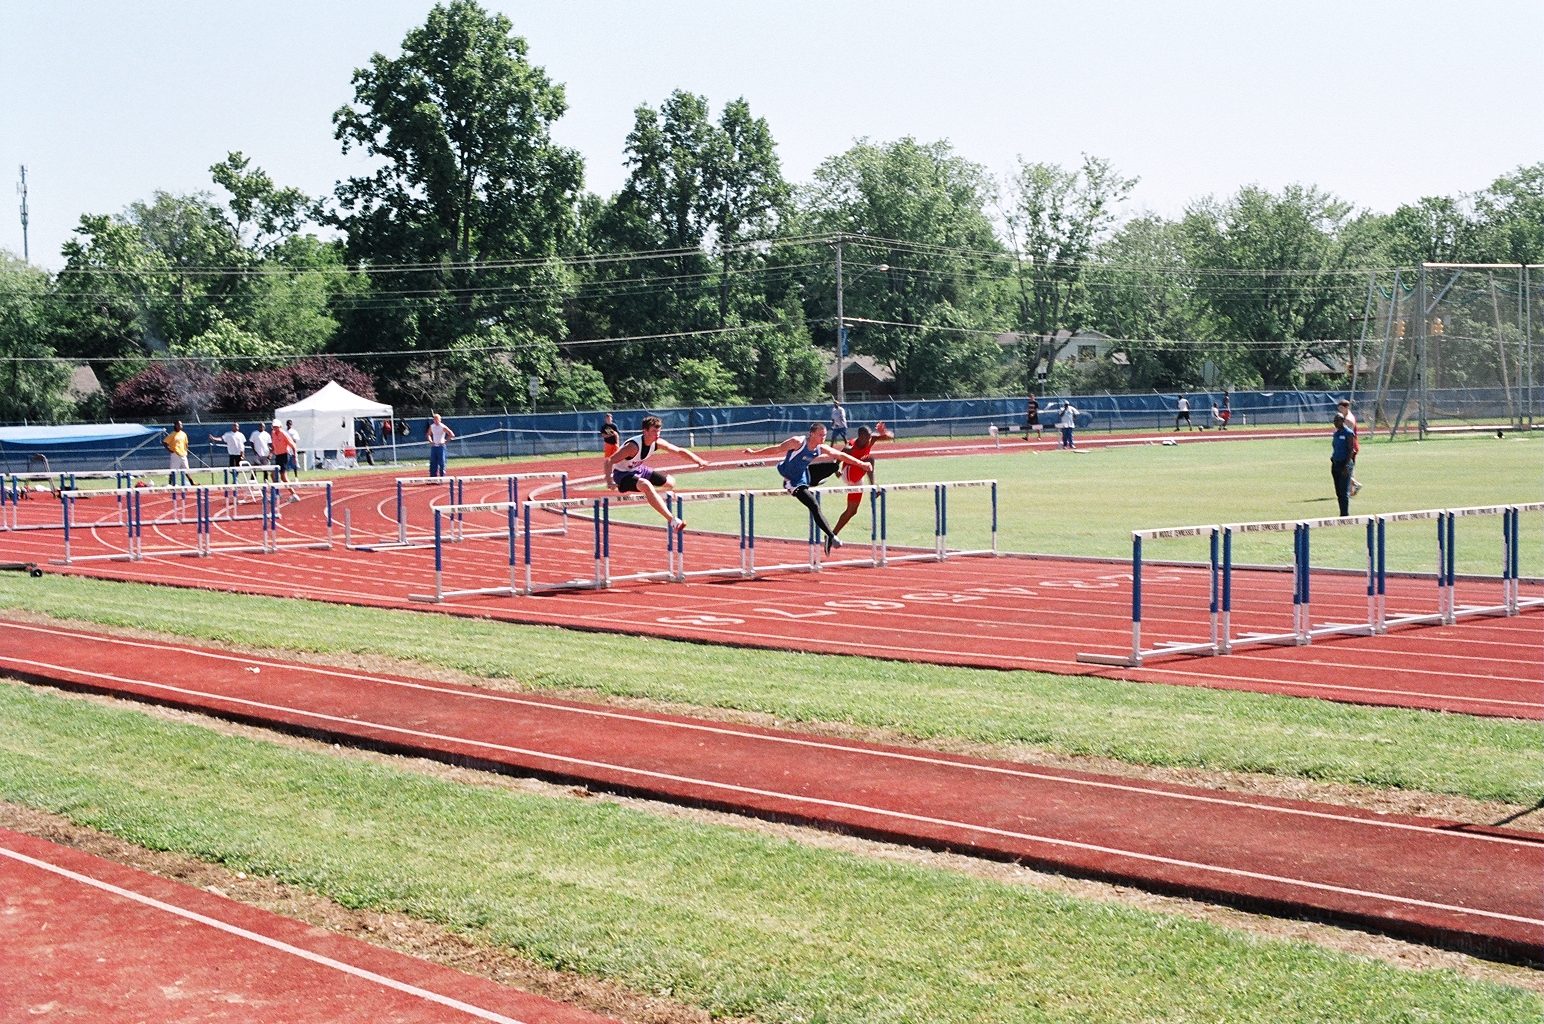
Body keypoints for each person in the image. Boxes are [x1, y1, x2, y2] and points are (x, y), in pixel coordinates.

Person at [744, 424, 872, 555]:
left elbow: (840, 455)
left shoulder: (821, 448)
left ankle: (812, 482)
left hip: (805, 475)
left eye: (825, 435)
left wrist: (861, 464)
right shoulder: (797, 442)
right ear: (812, 434)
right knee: (814, 506)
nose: (824, 437)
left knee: (833, 467)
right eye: (820, 435)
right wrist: (754, 453)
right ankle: (831, 536)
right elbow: (776, 449)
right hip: (792, 481)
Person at [605, 415, 708, 530]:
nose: (657, 434)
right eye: (654, 431)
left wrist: (698, 460)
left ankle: (654, 497)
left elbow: (678, 451)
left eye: (658, 431)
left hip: (639, 469)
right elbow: (609, 461)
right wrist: (610, 481)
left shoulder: (657, 443)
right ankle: (672, 520)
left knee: (670, 483)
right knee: (646, 485)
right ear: (645, 431)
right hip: (622, 474)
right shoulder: (632, 447)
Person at [828, 422, 894, 536]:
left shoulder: (871, 439)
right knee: (869, 460)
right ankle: (873, 488)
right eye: (867, 438)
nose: (869, 440)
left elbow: (890, 436)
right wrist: (836, 470)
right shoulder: (850, 447)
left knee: (852, 511)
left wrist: (884, 433)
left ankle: (832, 534)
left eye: (870, 437)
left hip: (859, 476)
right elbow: (837, 458)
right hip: (848, 473)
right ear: (861, 437)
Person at [1330, 413, 1354, 516]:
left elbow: (1351, 450)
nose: (1335, 423)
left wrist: (1347, 466)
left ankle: (1345, 514)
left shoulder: (1348, 433)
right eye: (1334, 421)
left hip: (1344, 465)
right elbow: (1334, 445)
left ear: (1343, 421)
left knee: (1344, 492)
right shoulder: (1336, 434)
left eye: (1338, 421)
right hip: (1335, 464)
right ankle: (1342, 513)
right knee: (1338, 491)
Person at [1337, 399, 1361, 496]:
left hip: (1350, 446)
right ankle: (1351, 489)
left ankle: (1355, 484)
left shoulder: (1348, 419)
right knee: (1349, 467)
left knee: (1342, 467)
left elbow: (1343, 431)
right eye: (1340, 408)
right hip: (1350, 444)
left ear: (1347, 407)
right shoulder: (1347, 416)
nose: (1340, 410)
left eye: (1342, 408)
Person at [427, 413, 454, 478]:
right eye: (434, 419)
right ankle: (433, 478)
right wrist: (431, 441)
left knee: (441, 462)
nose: (436, 421)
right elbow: (428, 434)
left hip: (441, 447)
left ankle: (442, 477)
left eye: (437, 419)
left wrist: (445, 441)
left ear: (440, 420)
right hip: (434, 447)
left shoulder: (442, 427)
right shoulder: (432, 426)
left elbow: (452, 434)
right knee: (433, 462)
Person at [270, 419, 295, 483]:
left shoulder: (284, 434)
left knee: (283, 477)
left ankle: (293, 493)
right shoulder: (273, 433)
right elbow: (274, 445)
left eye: (277, 427)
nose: (275, 428)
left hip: (285, 455)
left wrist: (295, 457)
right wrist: (271, 453)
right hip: (278, 456)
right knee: (273, 475)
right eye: (274, 426)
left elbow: (293, 445)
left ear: (280, 427)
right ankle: (277, 491)